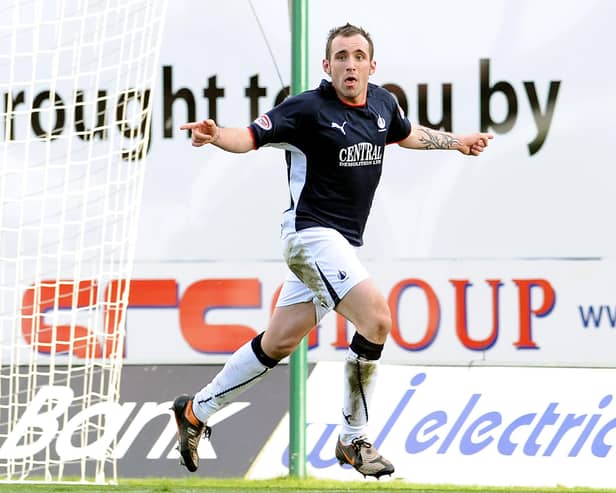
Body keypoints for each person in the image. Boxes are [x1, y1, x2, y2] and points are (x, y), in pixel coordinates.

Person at [173, 23, 493, 479]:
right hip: (309, 235)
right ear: (327, 66)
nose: (350, 63)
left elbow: (404, 133)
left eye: (358, 56)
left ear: (371, 65)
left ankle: (196, 412)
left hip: (336, 244)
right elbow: (249, 136)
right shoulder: (306, 109)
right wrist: (215, 134)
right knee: (377, 318)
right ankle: (353, 438)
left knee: (278, 341)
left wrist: (456, 142)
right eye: (341, 56)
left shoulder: (383, 102)